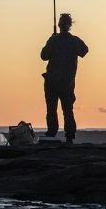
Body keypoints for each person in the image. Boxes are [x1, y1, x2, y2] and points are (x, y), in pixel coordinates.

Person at [41, 13, 89, 144]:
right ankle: (70, 134)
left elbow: (43, 56)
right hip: (68, 82)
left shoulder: (53, 41)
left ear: (59, 25)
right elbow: (84, 51)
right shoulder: (75, 41)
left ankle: (52, 132)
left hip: (51, 81)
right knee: (67, 109)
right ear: (70, 25)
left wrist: (51, 39)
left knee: (51, 108)